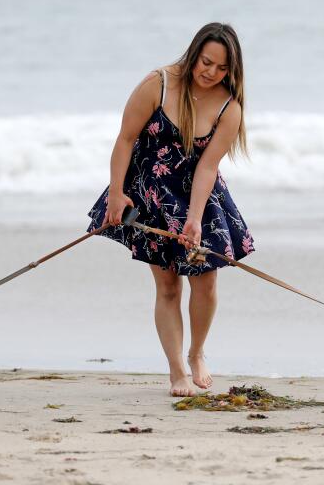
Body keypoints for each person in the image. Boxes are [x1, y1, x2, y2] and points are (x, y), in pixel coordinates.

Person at [87, 22, 254, 397]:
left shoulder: (230, 108)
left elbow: (208, 167)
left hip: (199, 195)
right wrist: (116, 192)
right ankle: (177, 370)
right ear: (194, 53)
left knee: (206, 280)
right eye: (206, 62)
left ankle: (197, 352)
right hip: (150, 193)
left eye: (222, 68)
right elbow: (125, 139)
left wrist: (194, 219)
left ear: (232, 70)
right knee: (167, 285)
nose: (210, 72)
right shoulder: (158, 83)